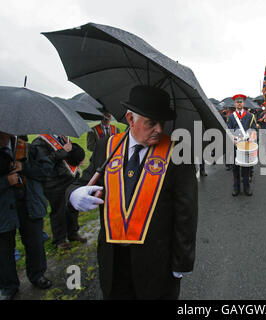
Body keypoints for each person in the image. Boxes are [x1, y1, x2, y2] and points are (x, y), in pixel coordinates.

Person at [67, 85, 198, 300]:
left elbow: (186, 212)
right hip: (113, 261)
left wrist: (183, 260)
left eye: (162, 122)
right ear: (130, 119)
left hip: (157, 262)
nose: (158, 129)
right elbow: (80, 183)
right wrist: (74, 195)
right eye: (151, 123)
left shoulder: (177, 153)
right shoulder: (106, 148)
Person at [0, 133, 53, 300]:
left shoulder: (28, 148)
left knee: (35, 243)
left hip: (30, 204)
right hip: (3, 210)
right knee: (3, 250)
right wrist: (6, 181)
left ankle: (37, 275)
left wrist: (25, 168)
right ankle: (9, 286)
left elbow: (47, 170)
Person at [31, 134, 86, 250]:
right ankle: (59, 239)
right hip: (54, 182)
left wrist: (75, 151)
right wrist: (63, 151)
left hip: (70, 179)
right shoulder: (39, 142)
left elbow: (73, 155)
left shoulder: (62, 138)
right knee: (59, 211)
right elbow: (44, 161)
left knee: (72, 208)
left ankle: (73, 233)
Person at [227, 94, 257, 196]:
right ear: (235, 103)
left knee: (246, 168)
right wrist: (233, 140)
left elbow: (253, 129)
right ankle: (236, 188)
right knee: (235, 168)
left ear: (243, 103)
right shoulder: (231, 117)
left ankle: (246, 188)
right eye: (237, 102)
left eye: (241, 102)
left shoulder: (250, 116)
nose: (239, 104)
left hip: (246, 145)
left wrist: (252, 138)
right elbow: (229, 131)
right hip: (235, 145)